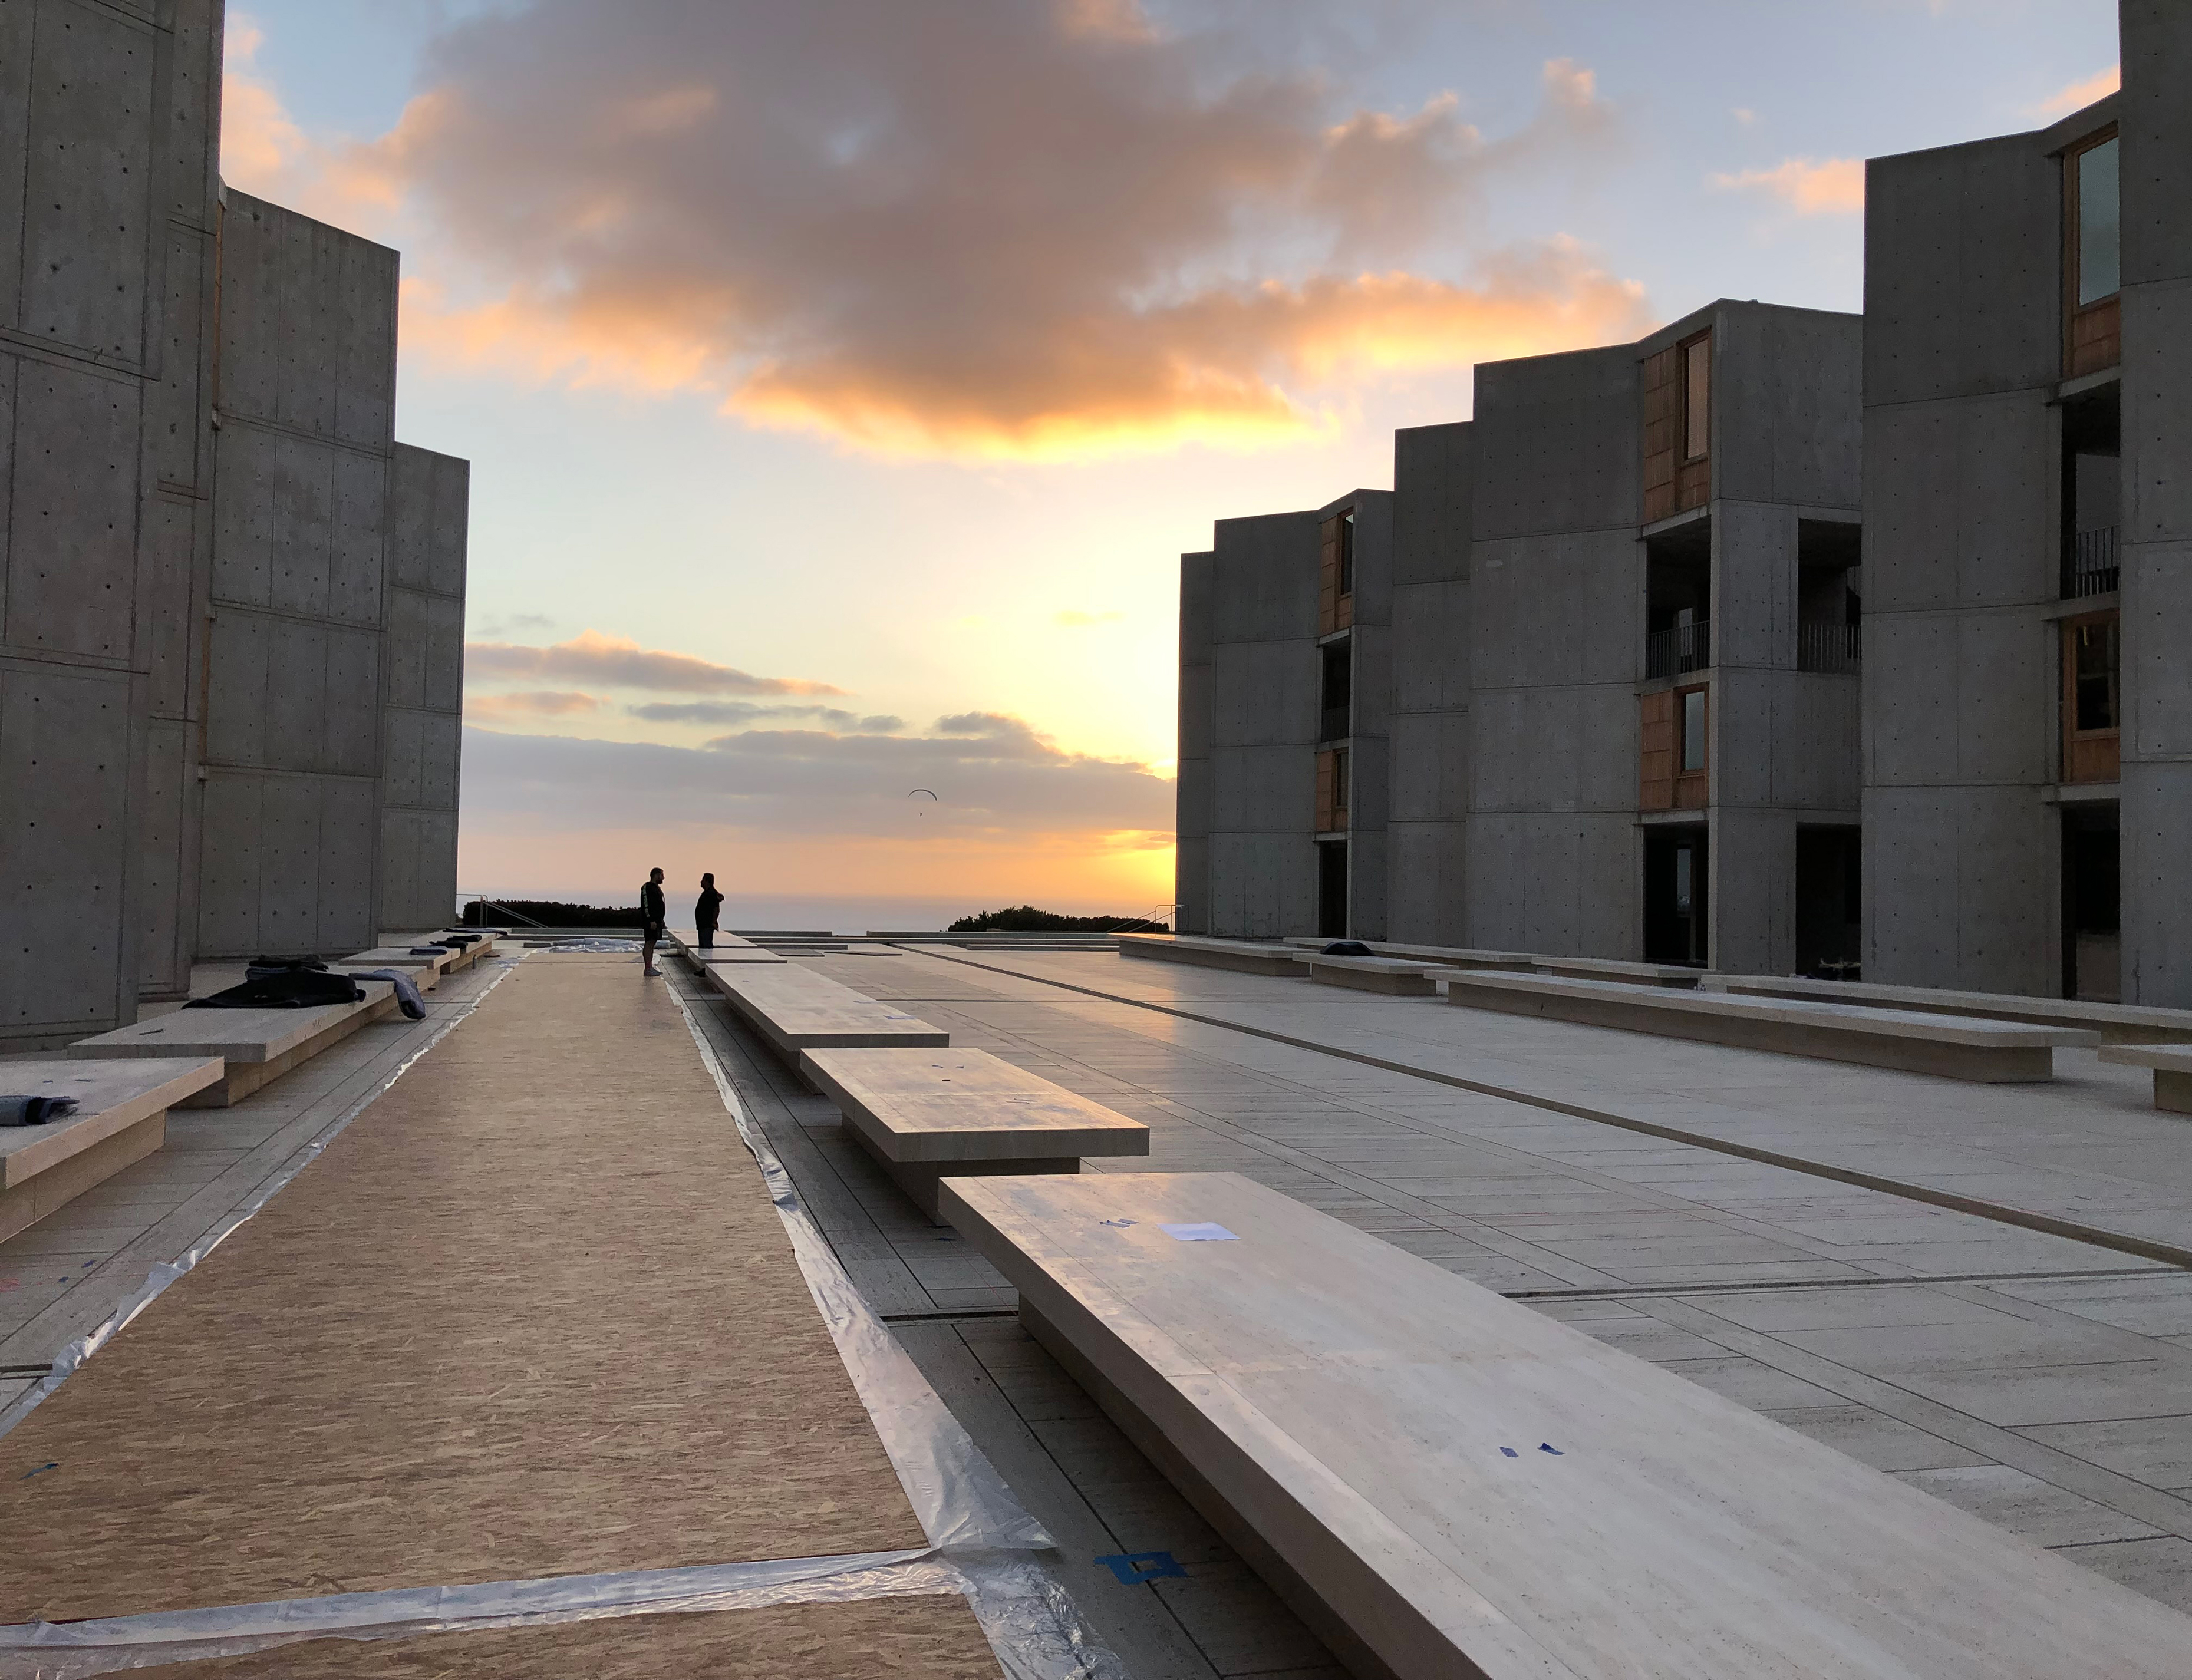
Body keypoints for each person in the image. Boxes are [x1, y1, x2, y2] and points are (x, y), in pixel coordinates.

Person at [640, 867, 667, 976]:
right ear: (656, 875)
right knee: (649, 943)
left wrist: (661, 920)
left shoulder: (656, 888)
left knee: (652, 943)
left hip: (657, 921)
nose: (663, 878)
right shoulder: (648, 888)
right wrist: (651, 920)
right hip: (651, 922)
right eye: (662, 875)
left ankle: (650, 967)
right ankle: (647, 968)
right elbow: (646, 905)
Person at [695, 872, 724, 951]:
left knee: (706, 947)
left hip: (707, 926)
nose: (701, 882)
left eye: (703, 880)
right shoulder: (707, 893)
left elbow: (716, 909)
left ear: (707, 881)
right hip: (703, 926)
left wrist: (714, 921)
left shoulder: (712, 893)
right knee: (703, 947)